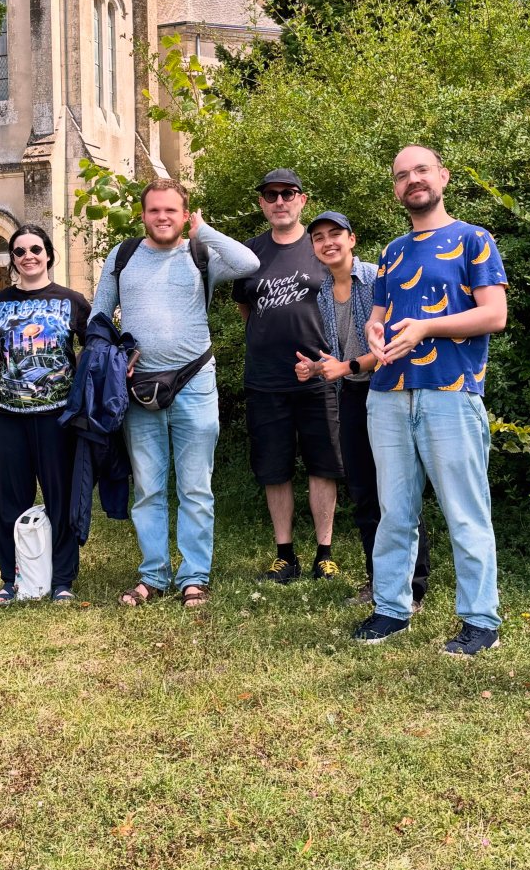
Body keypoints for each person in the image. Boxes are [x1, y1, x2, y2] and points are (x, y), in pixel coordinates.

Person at [358, 145, 509, 654]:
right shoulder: (392, 251)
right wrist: (373, 331)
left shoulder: (473, 239)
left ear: (442, 176)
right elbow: (378, 315)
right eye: (402, 175)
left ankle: (481, 621)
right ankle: (391, 609)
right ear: (396, 189)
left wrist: (426, 327)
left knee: (465, 512)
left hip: (451, 392)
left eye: (421, 170)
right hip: (388, 394)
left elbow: (494, 315)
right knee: (395, 512)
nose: (413, 180)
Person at [91, 179, 259, 608]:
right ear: (142, 215)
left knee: (195, 488)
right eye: (154, 210)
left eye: (171, 210)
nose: (162, 217)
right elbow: (99, 315)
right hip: (138, 387)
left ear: (185, 215)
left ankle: (194, 577)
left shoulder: (202, 255)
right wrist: (113, 356)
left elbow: (249, 262)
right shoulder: (123, 256)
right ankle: (153, 575)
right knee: (148, 488)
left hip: (195, 381)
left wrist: (205, 231)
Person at [295, 211, 430, 608]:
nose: (327, 242)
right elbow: (340, 355)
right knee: (364, 492)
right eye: (318, 237)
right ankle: (379, 583)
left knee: (399, 492)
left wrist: (347, 367)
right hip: (353, 395)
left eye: (335, 234)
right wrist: (317, 368)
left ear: (351, 239)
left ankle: (413, 587)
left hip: (390, 391)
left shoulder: (376, 278)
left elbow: (390, 345)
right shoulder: (322, 291)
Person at [232, 169, 344, 583]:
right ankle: (285, 556)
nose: (279, 201)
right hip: (265, 380)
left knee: (323, 466)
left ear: (302, 200)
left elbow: (343, 297)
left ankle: (324, 555)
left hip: (319, 377)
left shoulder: (320, 247)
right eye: (271, 195)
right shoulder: (248, 254)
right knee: (273, 468)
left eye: (288, 193)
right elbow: (245, 308)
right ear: (262, 204)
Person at [0, 225, 91, 604]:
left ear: (49, 254)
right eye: (20, 251)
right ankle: (12, 578)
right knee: (11, 498)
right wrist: (4, 373)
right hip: (7, 416)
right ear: (13, 259)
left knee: (60, 497)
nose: (29, 256)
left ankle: (62, 579)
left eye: (36, 249)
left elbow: (92, 346)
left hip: (58, 417)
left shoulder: (72, 301)